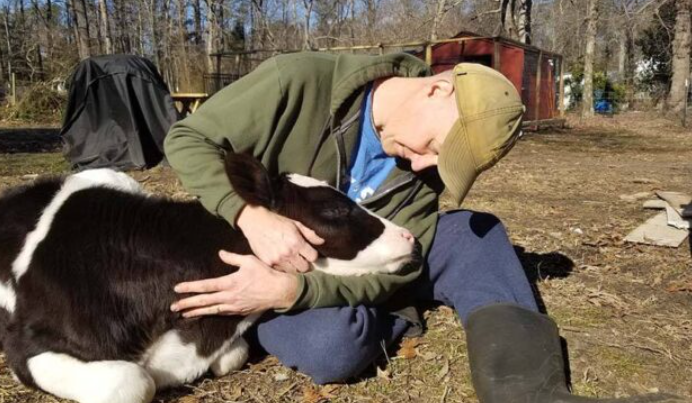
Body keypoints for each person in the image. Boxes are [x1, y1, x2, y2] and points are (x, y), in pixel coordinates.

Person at [163, 52, 678, 403]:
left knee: (473, 232)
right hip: (268, 263)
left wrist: (299, 290)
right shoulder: (298, 81)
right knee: (331, 347)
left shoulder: (420, 171)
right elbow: (187, 139)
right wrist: (249, 216)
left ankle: (529, 393)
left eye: (445, 164)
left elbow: (398, 265)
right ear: (436, 89)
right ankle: (399, 319)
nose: (431, 165)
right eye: (438, 147)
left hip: (339, 269)